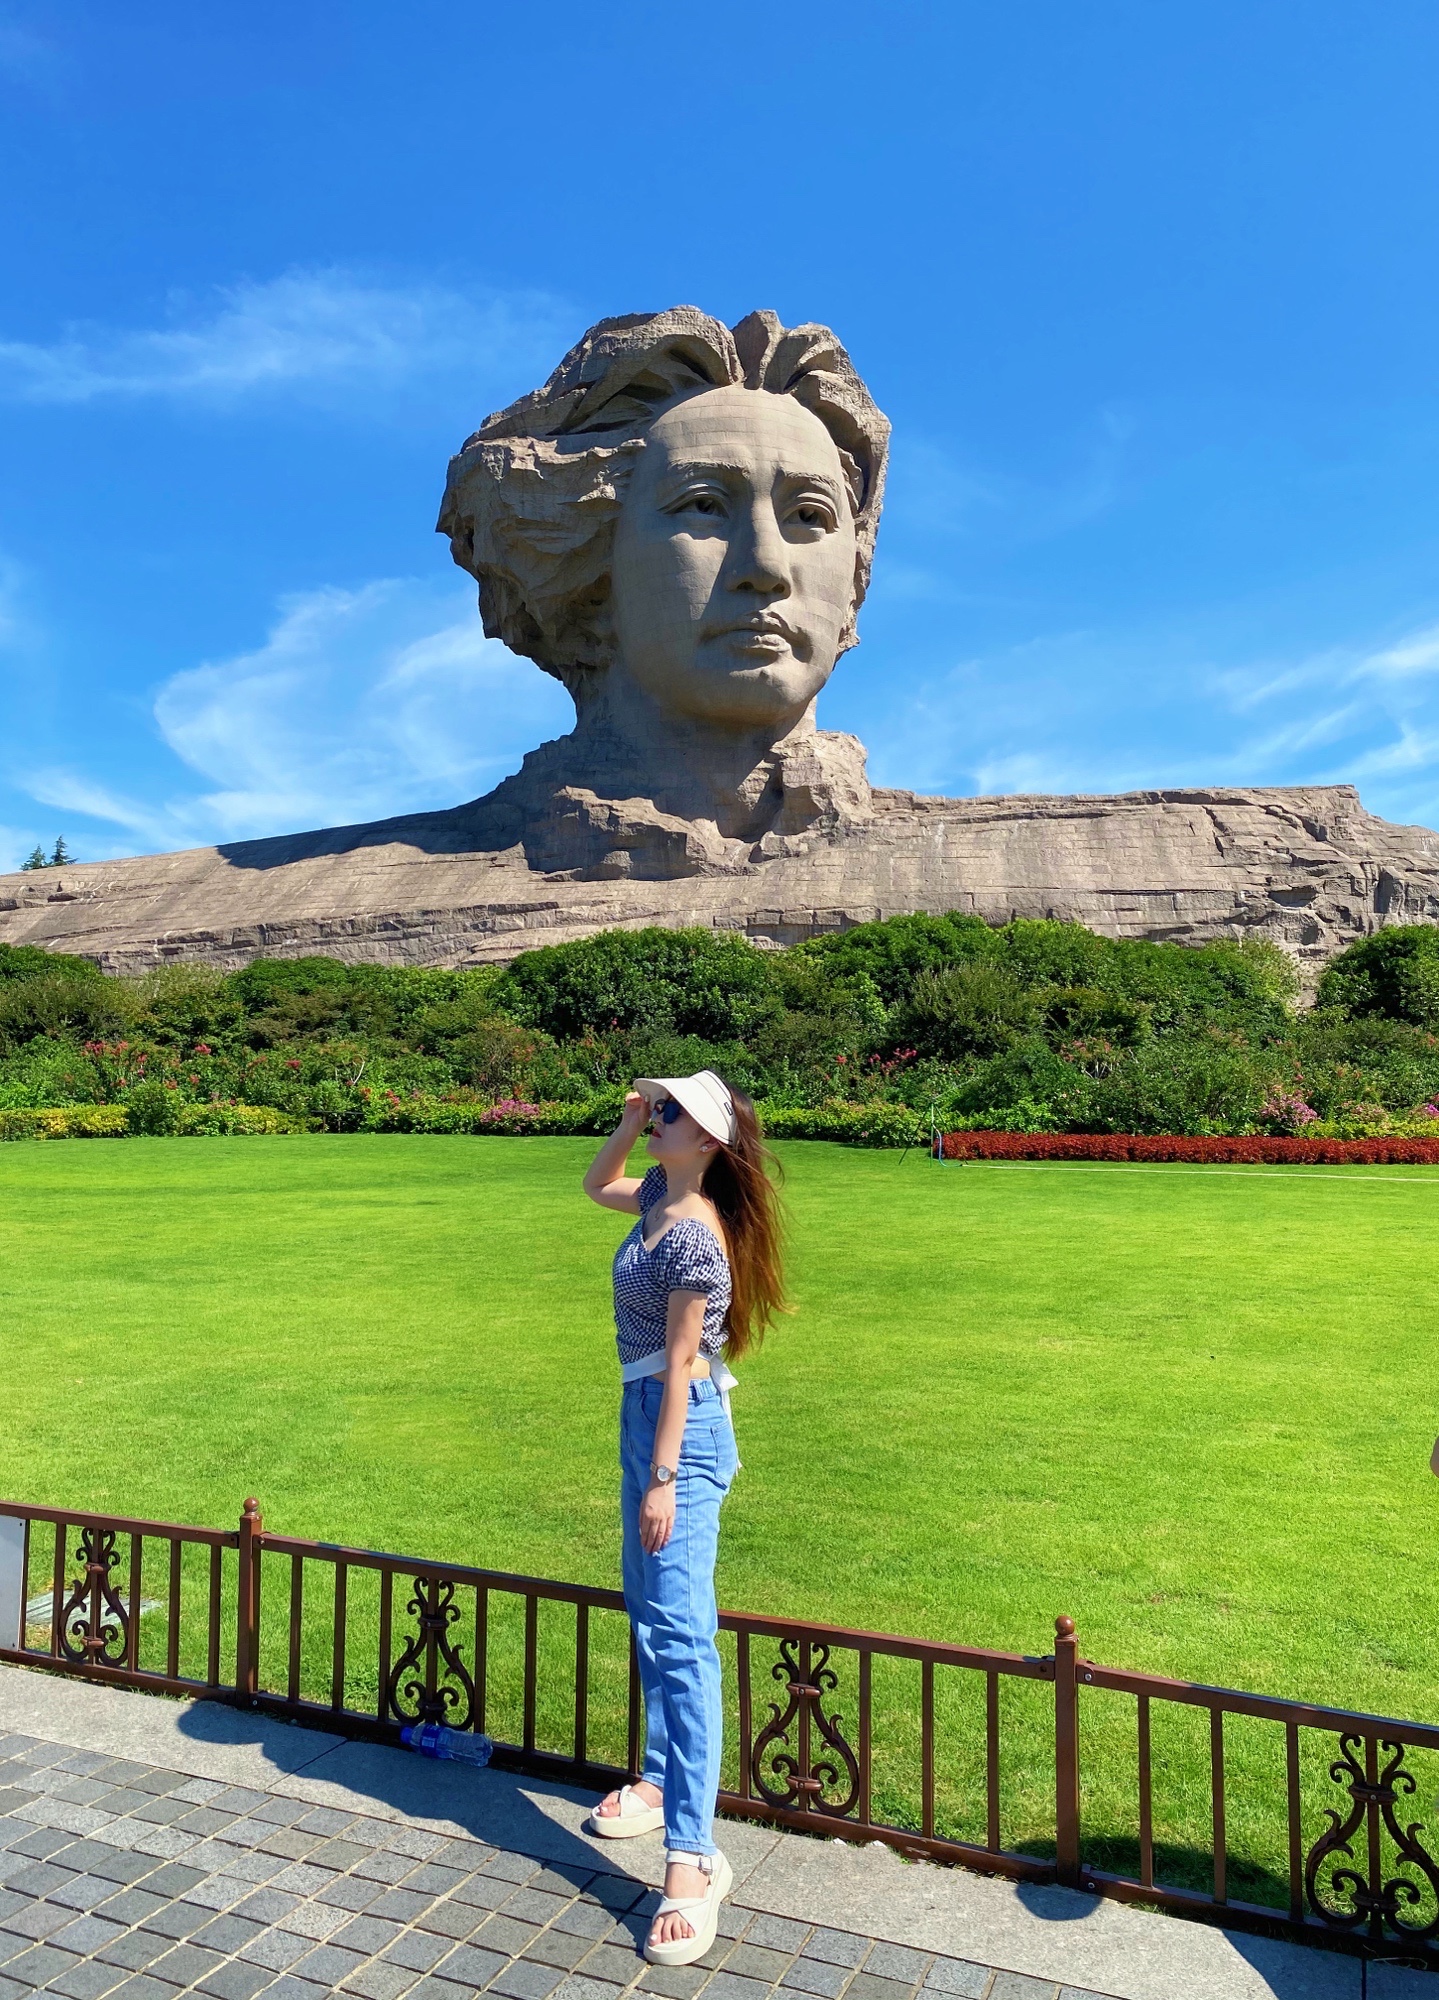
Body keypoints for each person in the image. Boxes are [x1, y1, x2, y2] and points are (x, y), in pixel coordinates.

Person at [580, 1069, 785, 1965]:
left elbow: (680, 1367)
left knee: (679, 1635)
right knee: (652, 1615)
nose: (655, 1115)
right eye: (655, 1105)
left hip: (682, 1430)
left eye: (669, 1111)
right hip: (645, 1418)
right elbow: (596, 1184)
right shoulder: (657, 1197)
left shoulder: (696, 1235)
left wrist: (662, 1480)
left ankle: (694, 1860)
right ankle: (663, 1779)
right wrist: (629, 1124)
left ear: (707, 1138)